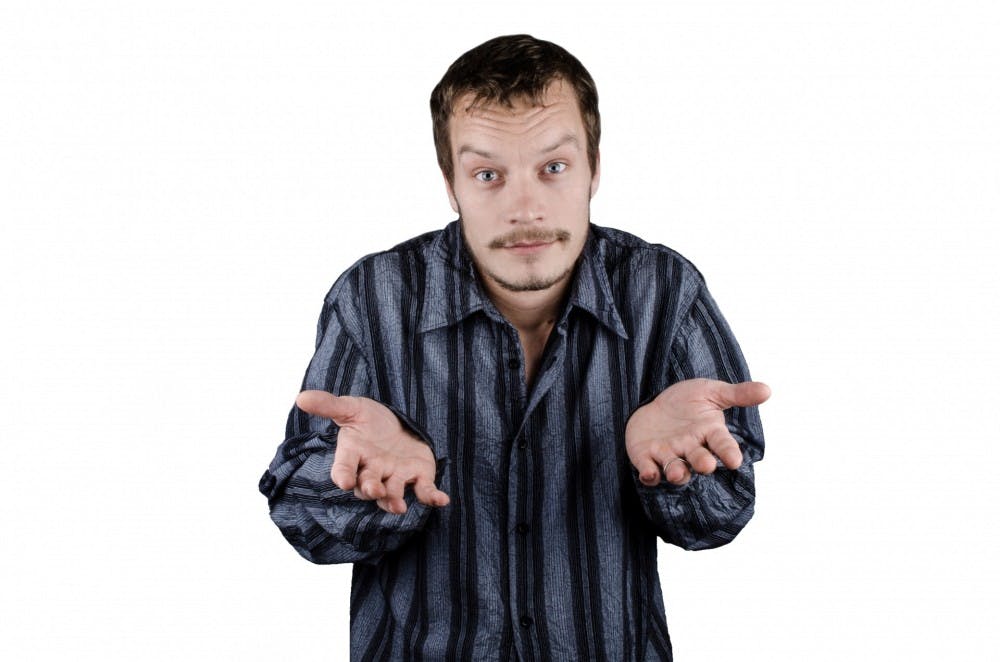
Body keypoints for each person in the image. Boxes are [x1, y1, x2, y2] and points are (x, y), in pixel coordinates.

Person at [259, 34, 769, 661]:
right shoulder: (372, 298)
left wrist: (674, 473)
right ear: (451, 184)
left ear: (594, 169)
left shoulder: (664, 291)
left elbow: (722, 516)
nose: (525, 208)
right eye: (488, 175)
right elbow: (301, 519)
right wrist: (367, 489)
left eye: (553, 168)